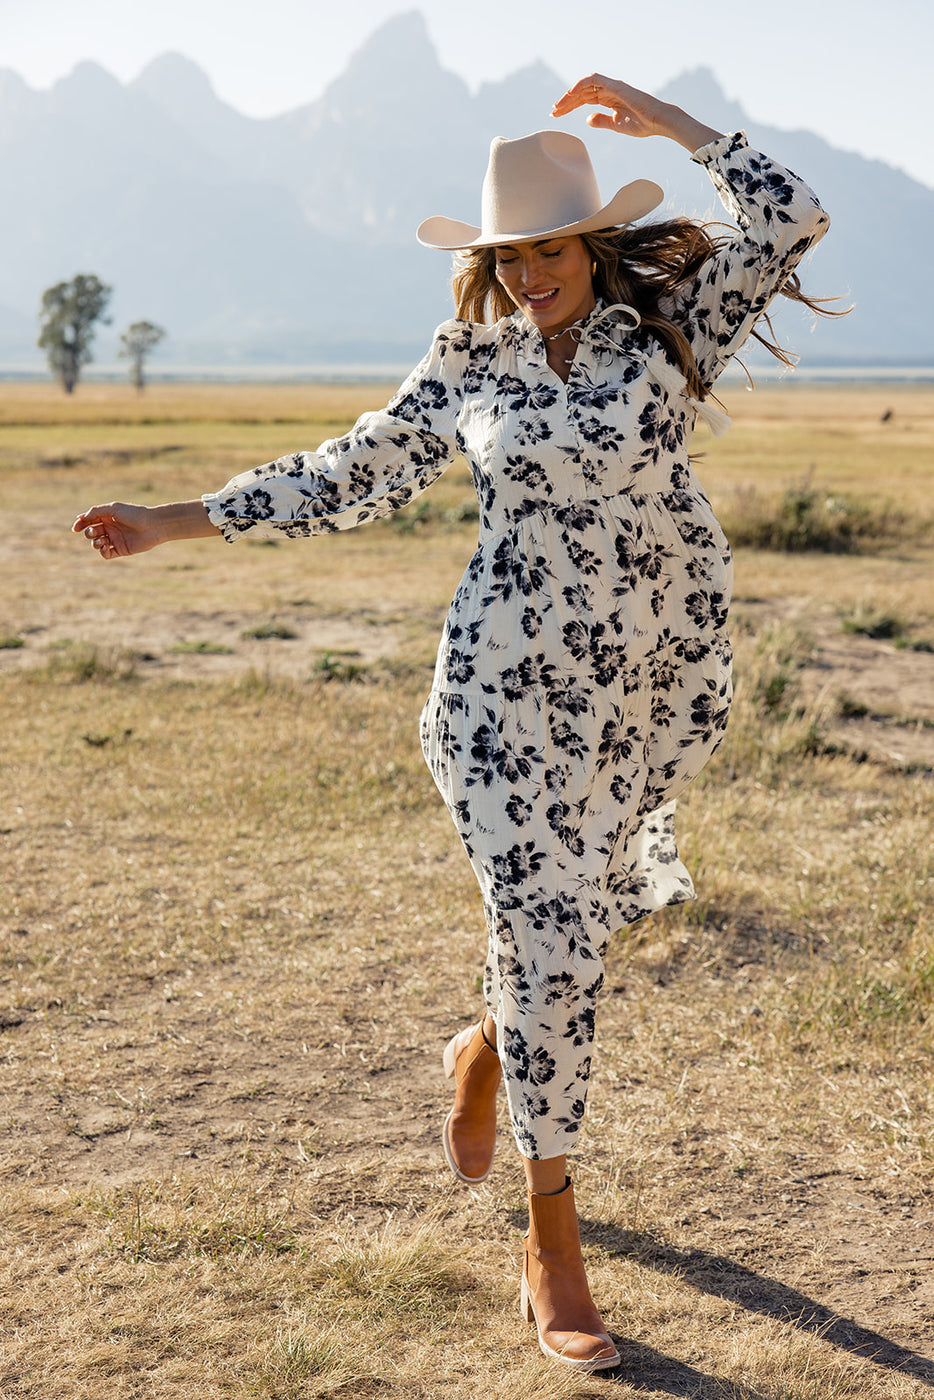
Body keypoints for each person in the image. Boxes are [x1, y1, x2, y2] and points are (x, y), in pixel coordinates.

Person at [74, 74, 834, 1372]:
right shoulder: (467, 363)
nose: (529, 273)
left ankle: (489, 1043)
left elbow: (795, 214)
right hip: (497, 703)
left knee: (584, 932)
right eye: (508, 254)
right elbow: (345, 476)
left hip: (638, 702)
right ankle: (552, 1238)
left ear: (589, 246)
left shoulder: (669, 331)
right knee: (552, 944)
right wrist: (173, 520)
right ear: (485, 264)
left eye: (549, 247)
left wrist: (676, 127)